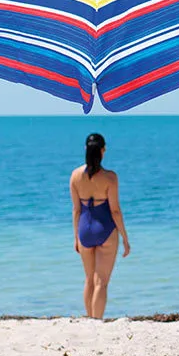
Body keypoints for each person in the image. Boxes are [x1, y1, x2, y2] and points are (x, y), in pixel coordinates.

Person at [70, 133, 130, 318]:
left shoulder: (75, 176)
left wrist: (76, 238)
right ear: (103, 151)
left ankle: (89, 319)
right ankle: (97, 321)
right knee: (101, 282)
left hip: (84, 230)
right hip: (105, 229)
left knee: (89, 279)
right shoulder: (110, 177)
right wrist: (125, 239)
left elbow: (76, 210)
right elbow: (115, 211)